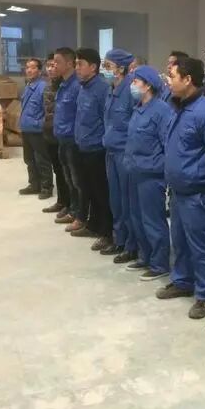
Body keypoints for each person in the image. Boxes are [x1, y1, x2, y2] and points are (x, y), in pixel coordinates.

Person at [156, 58, 205, 319]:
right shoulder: (178, 107)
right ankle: (183, 281)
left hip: (200, 193)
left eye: (172, 76)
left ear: (188, 80)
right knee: (181, 241)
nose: (168, 81)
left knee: (203, 245)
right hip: (179, 191)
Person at [123, 66, 173, 280]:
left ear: (148, 85)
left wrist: (158, 167)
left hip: (151, 174)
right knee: (137, 217)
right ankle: (145, 256)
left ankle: (159, 263)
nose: (132, 85)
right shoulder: (138, 108)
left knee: (153, 220)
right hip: (135, 170)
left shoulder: (162, 111)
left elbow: (167, 145)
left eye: (136, 82)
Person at [70, 48, 113, 251]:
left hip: (97, 150)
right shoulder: (83, 87)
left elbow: (107, 120)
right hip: (82, 147)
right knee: (88, 190)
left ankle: (106, 232)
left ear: (93, 67)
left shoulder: (102, 89)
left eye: (80, 64)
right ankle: (93, 225)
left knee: (101, 193)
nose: (77, 68)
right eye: (76, 64)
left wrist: (102, 142)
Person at [102, 48, 137, 259]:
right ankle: (119, 239)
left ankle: (132, 245)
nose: (104, 70)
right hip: (111, 152)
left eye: (108, 66)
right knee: (115, 201)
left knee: (127, 202)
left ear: (121, 69)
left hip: (125, 154)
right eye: (103, 65)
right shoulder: (111, 89)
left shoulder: (131, 91)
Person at [52, 47, 84, 230]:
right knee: (68, 178)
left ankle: (80, 214)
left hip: (73, 140)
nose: (54, 65)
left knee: (77, 180)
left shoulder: (77, 86)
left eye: (58, 62)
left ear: (69, 63)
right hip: (62, 138)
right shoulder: (63, 84)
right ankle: (72, 208)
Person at [41, 54, 71, 217]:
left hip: (62, 134)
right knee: (58, 171)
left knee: (67, 173)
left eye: (54, 65)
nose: (52, 68)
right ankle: (61, 201)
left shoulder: (65, 85)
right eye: (49, 65)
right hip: (49, 133)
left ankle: (69, 205)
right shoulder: (47, 86)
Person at [19, 58, 52, 199]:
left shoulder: (43, 87)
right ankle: (34, 184)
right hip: (26, 129)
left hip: (37, 130)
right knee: (29, 159)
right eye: (27, 67)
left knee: (41, 160)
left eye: (33, 68)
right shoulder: (28, 86)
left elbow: (48, 110)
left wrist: (40, 124)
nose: (29, 70)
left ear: (39, 70)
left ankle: (46, 187)